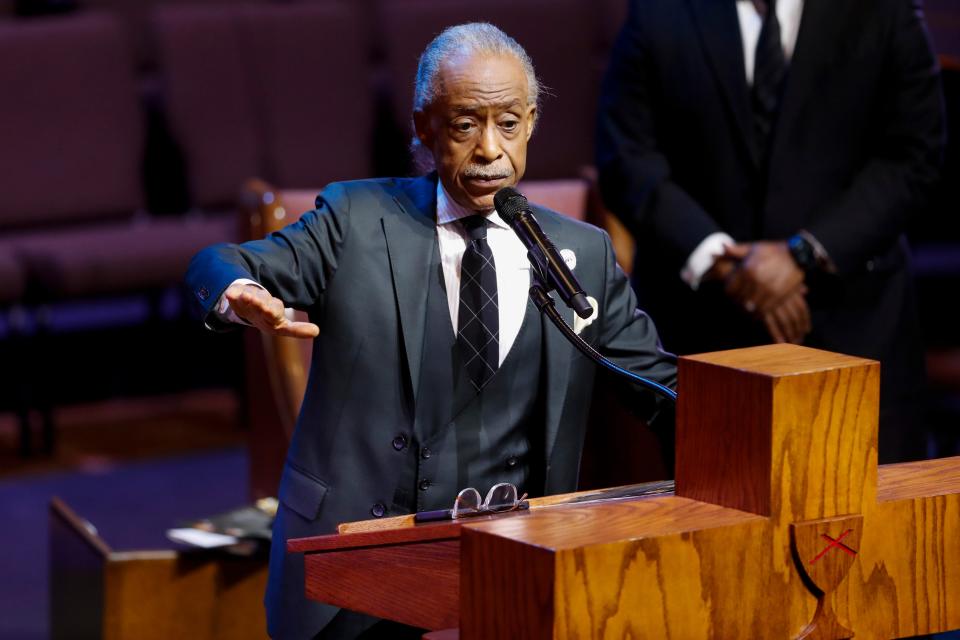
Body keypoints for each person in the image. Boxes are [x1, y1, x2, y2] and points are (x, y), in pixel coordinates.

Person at [186, 23, 676, 640]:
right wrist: (241, 292)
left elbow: (659, 388)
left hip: (510, 566)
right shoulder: (355, 219)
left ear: (531, 122)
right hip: (351, 562)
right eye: (466, 124)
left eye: (509, 124)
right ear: (424, 127)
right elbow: (226, 262)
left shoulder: (580, 253)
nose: (491, 150)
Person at [596, 0, 945, 464]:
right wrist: (721, 259)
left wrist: (803, 256)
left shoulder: (884, 9)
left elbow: (913, 156)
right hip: (700, 339)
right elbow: (625, 156)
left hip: (855, 331)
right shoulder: (660, 10)